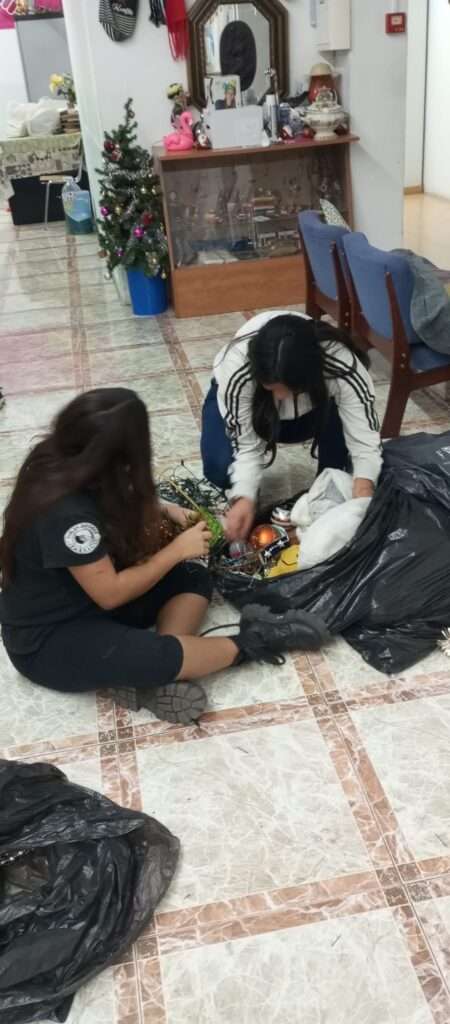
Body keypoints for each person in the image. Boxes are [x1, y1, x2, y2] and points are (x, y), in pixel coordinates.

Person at [0, 388, 327, 726]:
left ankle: (154, 676)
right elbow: (110, 594)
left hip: (86, 603)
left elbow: (112, 491)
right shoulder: (68, 517)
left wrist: (165, 509)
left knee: (192, 577)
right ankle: (256, 640)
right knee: (160, 647)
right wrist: (176, 550)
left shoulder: (63, 460)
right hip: (49, 639)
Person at [201, 311, 383, 541]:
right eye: (272, 388)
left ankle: (326, 486)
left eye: (288, 389)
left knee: (341, 475)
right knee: (220, 468)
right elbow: (246, 446)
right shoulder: (237, 369)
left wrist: (364, 488)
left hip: (312, 415)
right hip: (261, 418)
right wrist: (245, 496)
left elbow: (365, 440)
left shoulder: (340, 363)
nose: (280, 396)